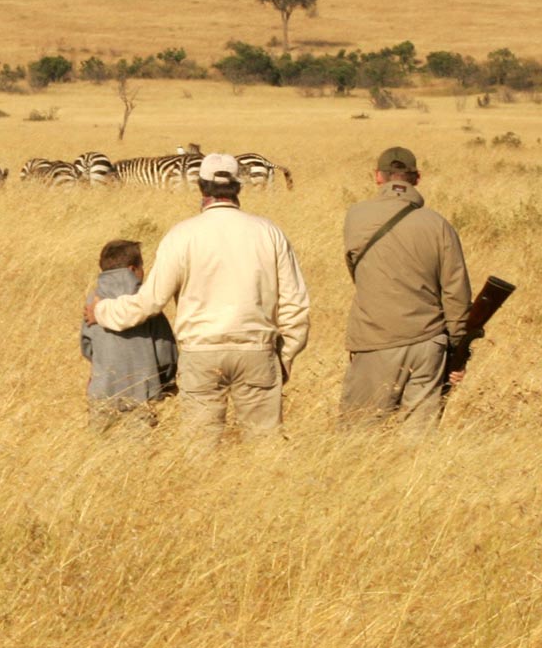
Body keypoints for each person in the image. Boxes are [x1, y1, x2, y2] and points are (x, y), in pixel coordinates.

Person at [88, 154, 311, 444]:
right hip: (257, 350)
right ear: (238, 187)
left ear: (201, 188)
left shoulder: (181, 235)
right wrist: (285, 355)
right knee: (265, 448)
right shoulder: (269, 232)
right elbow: (296, 306)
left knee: (200, 450)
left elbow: (150, 302)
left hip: (200, 353)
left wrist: (103, 310)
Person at [338, 145, 472, 435]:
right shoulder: (439, 225)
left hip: (375, 340)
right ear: (417, 178)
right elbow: (456, 294)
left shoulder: (356, 216)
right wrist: (458, 347)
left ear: (378, 177)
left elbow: (357, 274)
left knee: (358, 436)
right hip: (429, 343)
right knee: (419, 440)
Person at [80, 239, 176, 430]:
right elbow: (165, 351)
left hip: (102, 390)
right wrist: (167, 381)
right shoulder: (144, 304)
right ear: (133, 269)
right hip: (142, 392)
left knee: (102, 448)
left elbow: (87, 346)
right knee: (140, 452)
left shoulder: (93, 300)